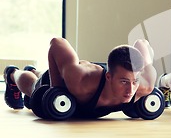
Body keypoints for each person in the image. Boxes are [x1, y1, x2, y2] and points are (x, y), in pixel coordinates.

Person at [3, 37, 157, 118]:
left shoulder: (144, 86)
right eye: (124, 82)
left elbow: (141, 43)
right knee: (34, 85)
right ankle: (12, 74)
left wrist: (143, 59)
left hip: (98, 79)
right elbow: (57, 43)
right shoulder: (81, 82)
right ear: (109, 77)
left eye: (134, 81)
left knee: (37, 74)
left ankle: (34, 70)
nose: (131, 89)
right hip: (68, 81)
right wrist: (56, 89)